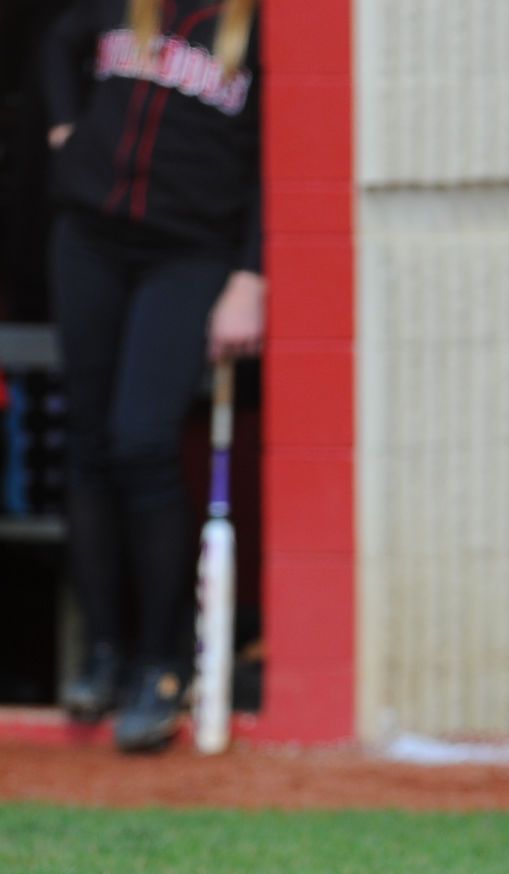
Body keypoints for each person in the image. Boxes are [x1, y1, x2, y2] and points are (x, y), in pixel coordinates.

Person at [41, 0, 263, 751]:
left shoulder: (257, 25)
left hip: (189, 254)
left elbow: (280, 163)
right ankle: (102, 654)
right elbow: (53, 45)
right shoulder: (119, 5)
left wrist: (251, 276)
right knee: (89, 445)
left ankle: (161, 665)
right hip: (90, 241)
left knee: (141, 442)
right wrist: (65, 129)